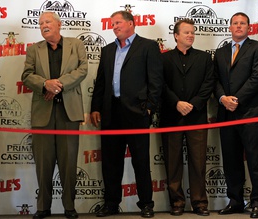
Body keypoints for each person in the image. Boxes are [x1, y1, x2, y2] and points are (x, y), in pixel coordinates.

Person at [90, 10, 163, 218]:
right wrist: (96, 108)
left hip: (137, 112)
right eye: (112, 24)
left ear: (131, 24)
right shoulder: (107, 50)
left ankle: (147, 204)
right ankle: (111, 204)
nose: (114, 27)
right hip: (110, 112)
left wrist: (149, 107)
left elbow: (156, 81)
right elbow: (101, 83)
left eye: (118, 23)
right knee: (111, 162)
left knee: (140, 161)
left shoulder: (148, 46)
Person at [22, 12, 88, 219]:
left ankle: (70, 207)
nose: (44, 25)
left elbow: (83, 69)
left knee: (68, 163)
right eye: (41, 23)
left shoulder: (76, 45)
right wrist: (44, 84)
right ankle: (43, 207)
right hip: (43, 113)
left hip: (69, 112)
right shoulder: (34, 49)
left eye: (47, 22)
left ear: (59, 24)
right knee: (43, 162)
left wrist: (56, 85)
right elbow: (26, 76)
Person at [213, 12, 258, 218]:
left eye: (242, 23)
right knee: (230, 160)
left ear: (249, 27)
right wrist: (222, 99)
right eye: (235, 23)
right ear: (230, 27)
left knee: (254, 159)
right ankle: (235, 201)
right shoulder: (220, 52)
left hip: (250, 113)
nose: (238, 26)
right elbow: (215, 80)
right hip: (226, 113)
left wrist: (235, 99)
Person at [159, 18, 215, 216]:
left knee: (198, 162)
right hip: (171, 117)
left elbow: (209, 84)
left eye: (192, 32)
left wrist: (194, 104)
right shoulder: (164, 59)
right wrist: (176, 103)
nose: (191, 35)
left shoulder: (204, 58)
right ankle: (177, 202)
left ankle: (200, 203)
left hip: (196, 116)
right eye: (186, 32)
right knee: (172, 163)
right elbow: (161, 85)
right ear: (176, 36)